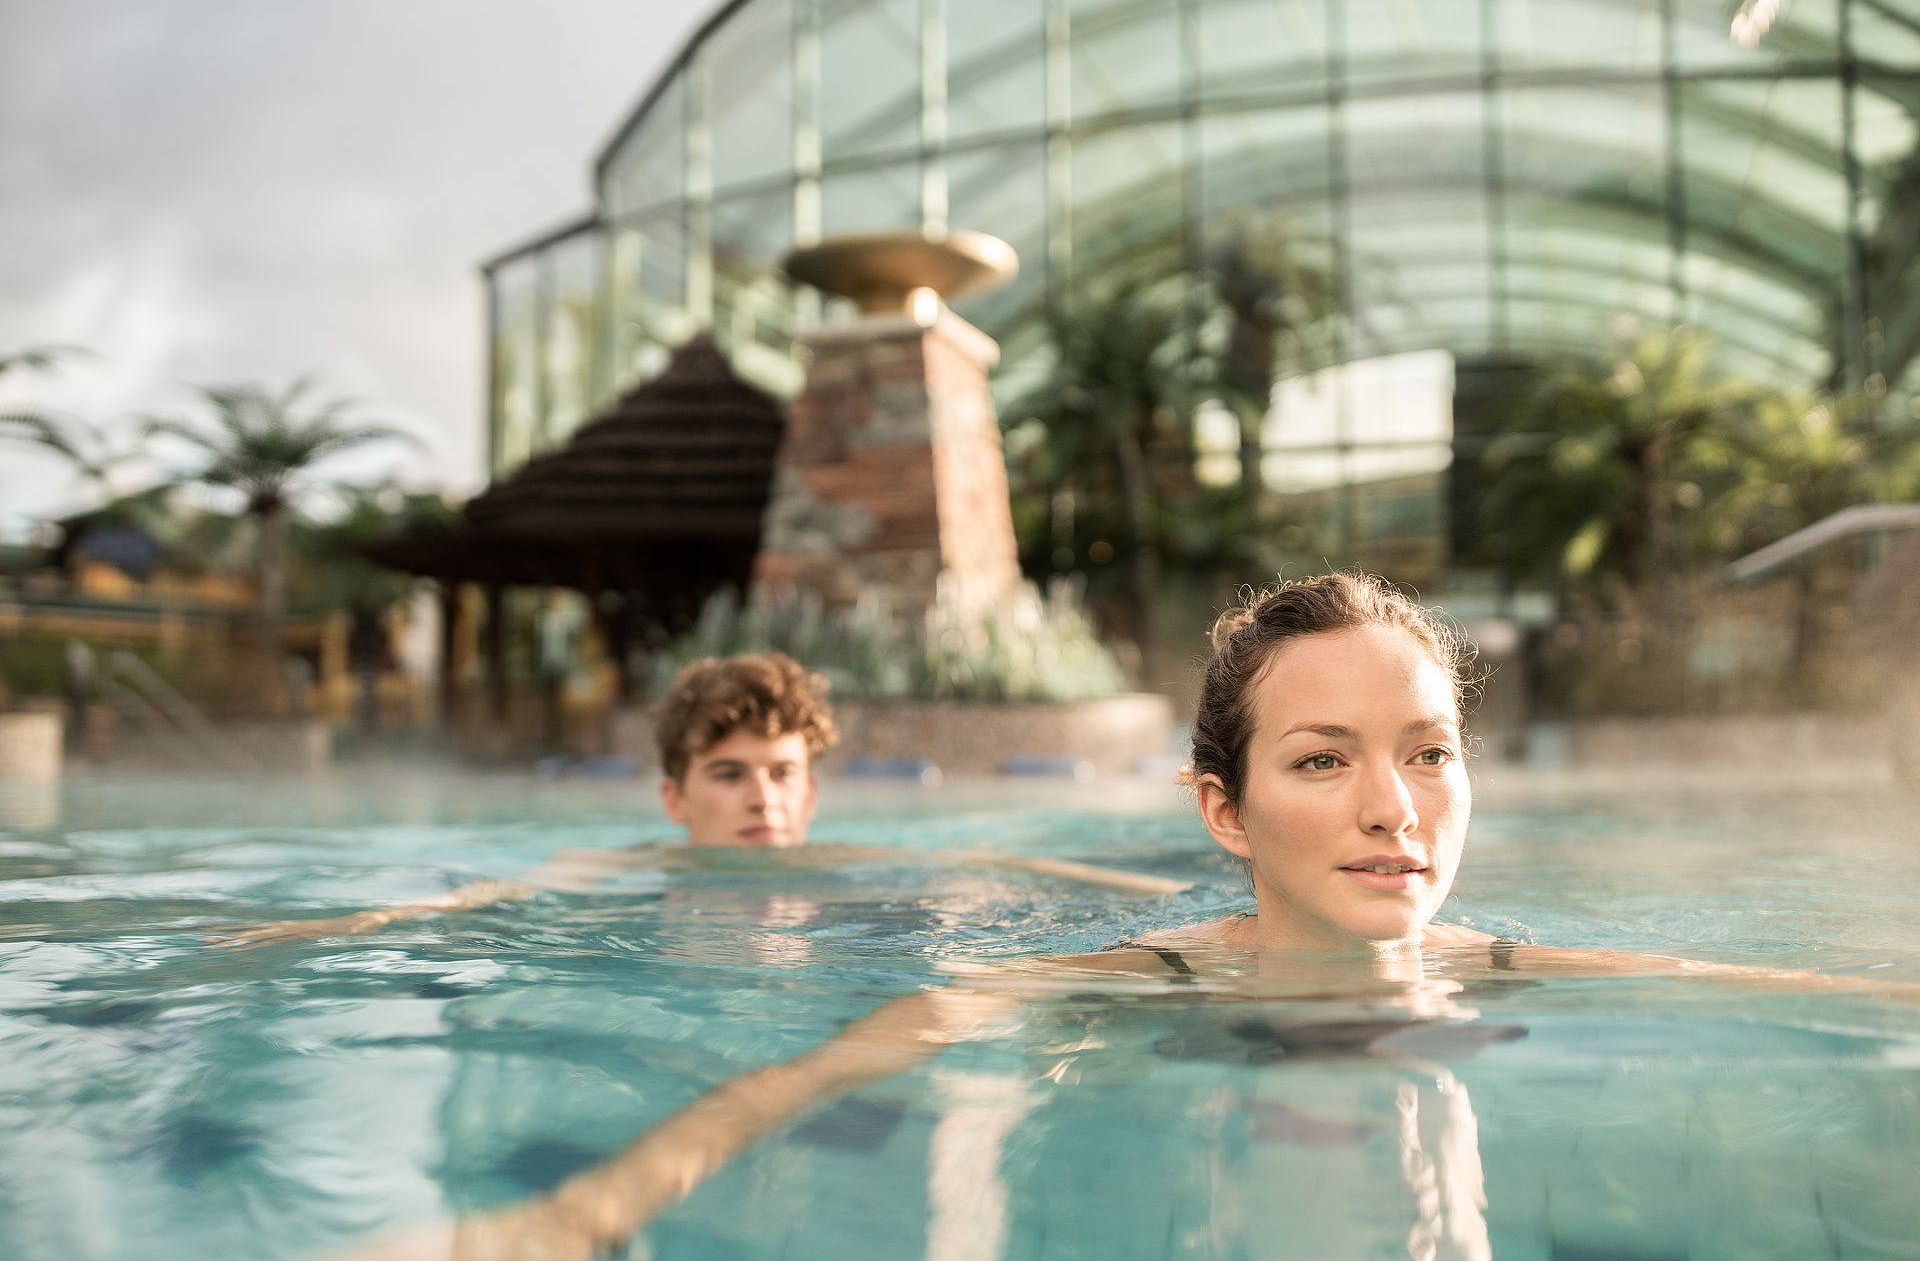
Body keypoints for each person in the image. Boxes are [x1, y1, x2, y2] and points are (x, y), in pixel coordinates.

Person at [336, 574, 1920, 1261]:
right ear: (1224, 810)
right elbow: (857, 1051)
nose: (1398, 807)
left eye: (1431, 752)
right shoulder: (1145, 980)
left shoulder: (1495, 963)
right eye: (1325, 760)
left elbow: (1772, 985)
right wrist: (579, 1213)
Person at [206, 652, 1185, 950]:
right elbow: (481, 900)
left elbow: (1007, 870)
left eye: (781, 772)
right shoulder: (632, 868)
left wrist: (1177, 906)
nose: (762, 796)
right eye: (729, 773)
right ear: (675, 798)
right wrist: (333, 927)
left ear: (811, 790)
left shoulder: (850, 868)